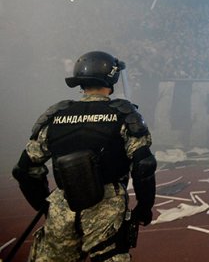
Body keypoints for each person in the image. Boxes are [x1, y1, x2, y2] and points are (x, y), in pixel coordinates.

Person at [12, 51, 156, 261]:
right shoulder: (124, 115)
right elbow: (144, 166)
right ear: (112, 77)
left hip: (63, 203)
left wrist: (45, 206)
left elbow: (24, 169)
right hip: (106, 205)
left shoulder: (55, 115)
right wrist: (144, 208)